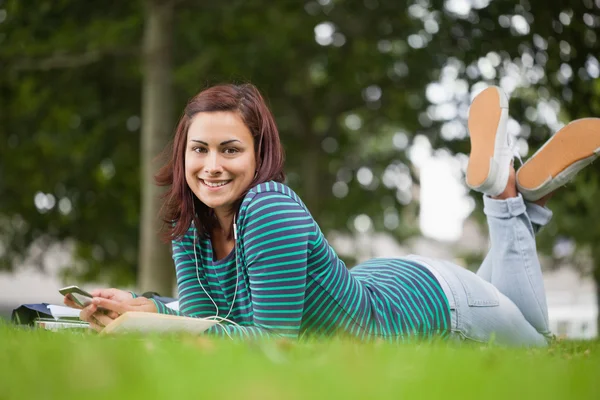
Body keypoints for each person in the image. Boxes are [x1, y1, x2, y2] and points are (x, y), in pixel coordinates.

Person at [65, 84, 600, 346]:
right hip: (384, 283)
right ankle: (515, 196)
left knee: (537, 345)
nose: (210, 167)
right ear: (182, 154)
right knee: (517, 296)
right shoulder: (191, 221)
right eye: (199, 150)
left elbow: (272, 342)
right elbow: (219, 322)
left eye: (230, 150)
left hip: (432, 307)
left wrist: (148, 329)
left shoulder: (267, 204)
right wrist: (147, 307)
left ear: (260, 154)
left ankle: (504, 200)